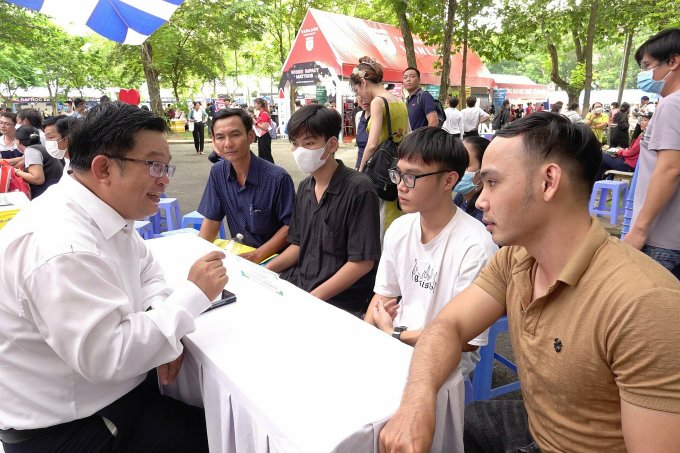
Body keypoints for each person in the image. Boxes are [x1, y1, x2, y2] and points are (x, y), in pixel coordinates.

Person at [379, 112, 680, 453]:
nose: (479, 200)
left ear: (548, 182)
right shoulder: (517, 257)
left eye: (492, 183)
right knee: (453, 424)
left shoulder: (645, 304)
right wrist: (417, 402)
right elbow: (449, 324)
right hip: (538, 426)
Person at [0, 101, 227, 453]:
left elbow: (148, 269)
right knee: (222, 438)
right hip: (75, 431)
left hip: (115, 397)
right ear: (103, 168)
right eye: (154, 165)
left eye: (167, 166)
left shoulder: (100, 211)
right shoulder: (61, 246)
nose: (165, 178)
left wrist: (166, 330)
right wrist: (192, 297)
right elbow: (110, 356)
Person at [363, 127, 496, 379]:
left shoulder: (476, 246)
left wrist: (394, 334)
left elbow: (467, 338)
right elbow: (382, 297)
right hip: (392, 346)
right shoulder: (400, 229)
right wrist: (368, 338)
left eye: (412, 177)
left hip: (444, 367)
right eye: (398, 174)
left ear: (448, 180)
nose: (401, 186)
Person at [265, 104, 381, 317]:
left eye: (308, 143)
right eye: (294, 144)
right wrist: (264, 271)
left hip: (340, 301)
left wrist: (312, 300)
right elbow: (298, 244)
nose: (300, 151)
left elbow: (362, 262)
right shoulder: (305, 188)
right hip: (302, 285)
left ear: (331, 144)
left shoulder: (358, 189)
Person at [197, 108, 295, 263]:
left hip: (274, 258)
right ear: (214, 142)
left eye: (235, 135)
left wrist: (258, 255)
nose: (228, 144)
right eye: (220, 137)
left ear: (251, 136)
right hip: (241, 255)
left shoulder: (277, 178)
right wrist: (198, 258)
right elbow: (212, 219)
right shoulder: (218, 173)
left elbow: (291, 226)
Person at [625, 28, 680, 277]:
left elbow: (670, 169)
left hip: (661, 238)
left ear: (673, 61)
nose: (644, 74)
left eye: (648, 66)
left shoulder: (672, 104)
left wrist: (639, 229)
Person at [351, 56, 409, 231]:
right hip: (397, 167)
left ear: (363, 82)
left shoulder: (378, 102)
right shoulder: (398, 101)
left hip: (380, 170)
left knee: (381, 220)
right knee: (395, 215)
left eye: (356, 90)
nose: (358, 95)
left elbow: (371, 144)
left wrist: (360, 172)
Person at [13, 125, 64, 198]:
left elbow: (38, 179)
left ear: (18, 141)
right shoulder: (38, 147)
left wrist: (16, 172)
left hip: (47, 195)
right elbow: (21, 160)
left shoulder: (31, 151)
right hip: (55, 190)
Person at [597, 113, 649, 180]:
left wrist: (618, 151)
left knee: (601, 156)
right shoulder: (644, 135)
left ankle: (597, 183)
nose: (641, 122)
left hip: (629, 165)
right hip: (630, 163)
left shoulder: (644, 136)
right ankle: (604, 181)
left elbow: (631, 153)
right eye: (641, 120)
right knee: (603, 161)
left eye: (645, 120)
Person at [453, 136, 490, 223]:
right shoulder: (461, 196)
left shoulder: (484, 213)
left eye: (465, 165)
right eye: (454, 163)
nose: (456, 170)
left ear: (483, 169)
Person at [253, 98, 274, 164]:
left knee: (266, 156)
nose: (254, 105)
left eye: (255, 103)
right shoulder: (261, 113)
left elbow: (264, 127)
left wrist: (255, 122)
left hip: (264, 136)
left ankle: (271, 170)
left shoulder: (264, 114)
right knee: (263, 155)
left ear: (259, 104)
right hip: (262, 136)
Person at [354, 95, 370, 170]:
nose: (364, 99)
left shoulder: (380, 115)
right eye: (360, 95)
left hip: (375, 167)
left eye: (366, 94)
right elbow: (360, 147)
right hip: (360, 164)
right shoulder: (359, 115)